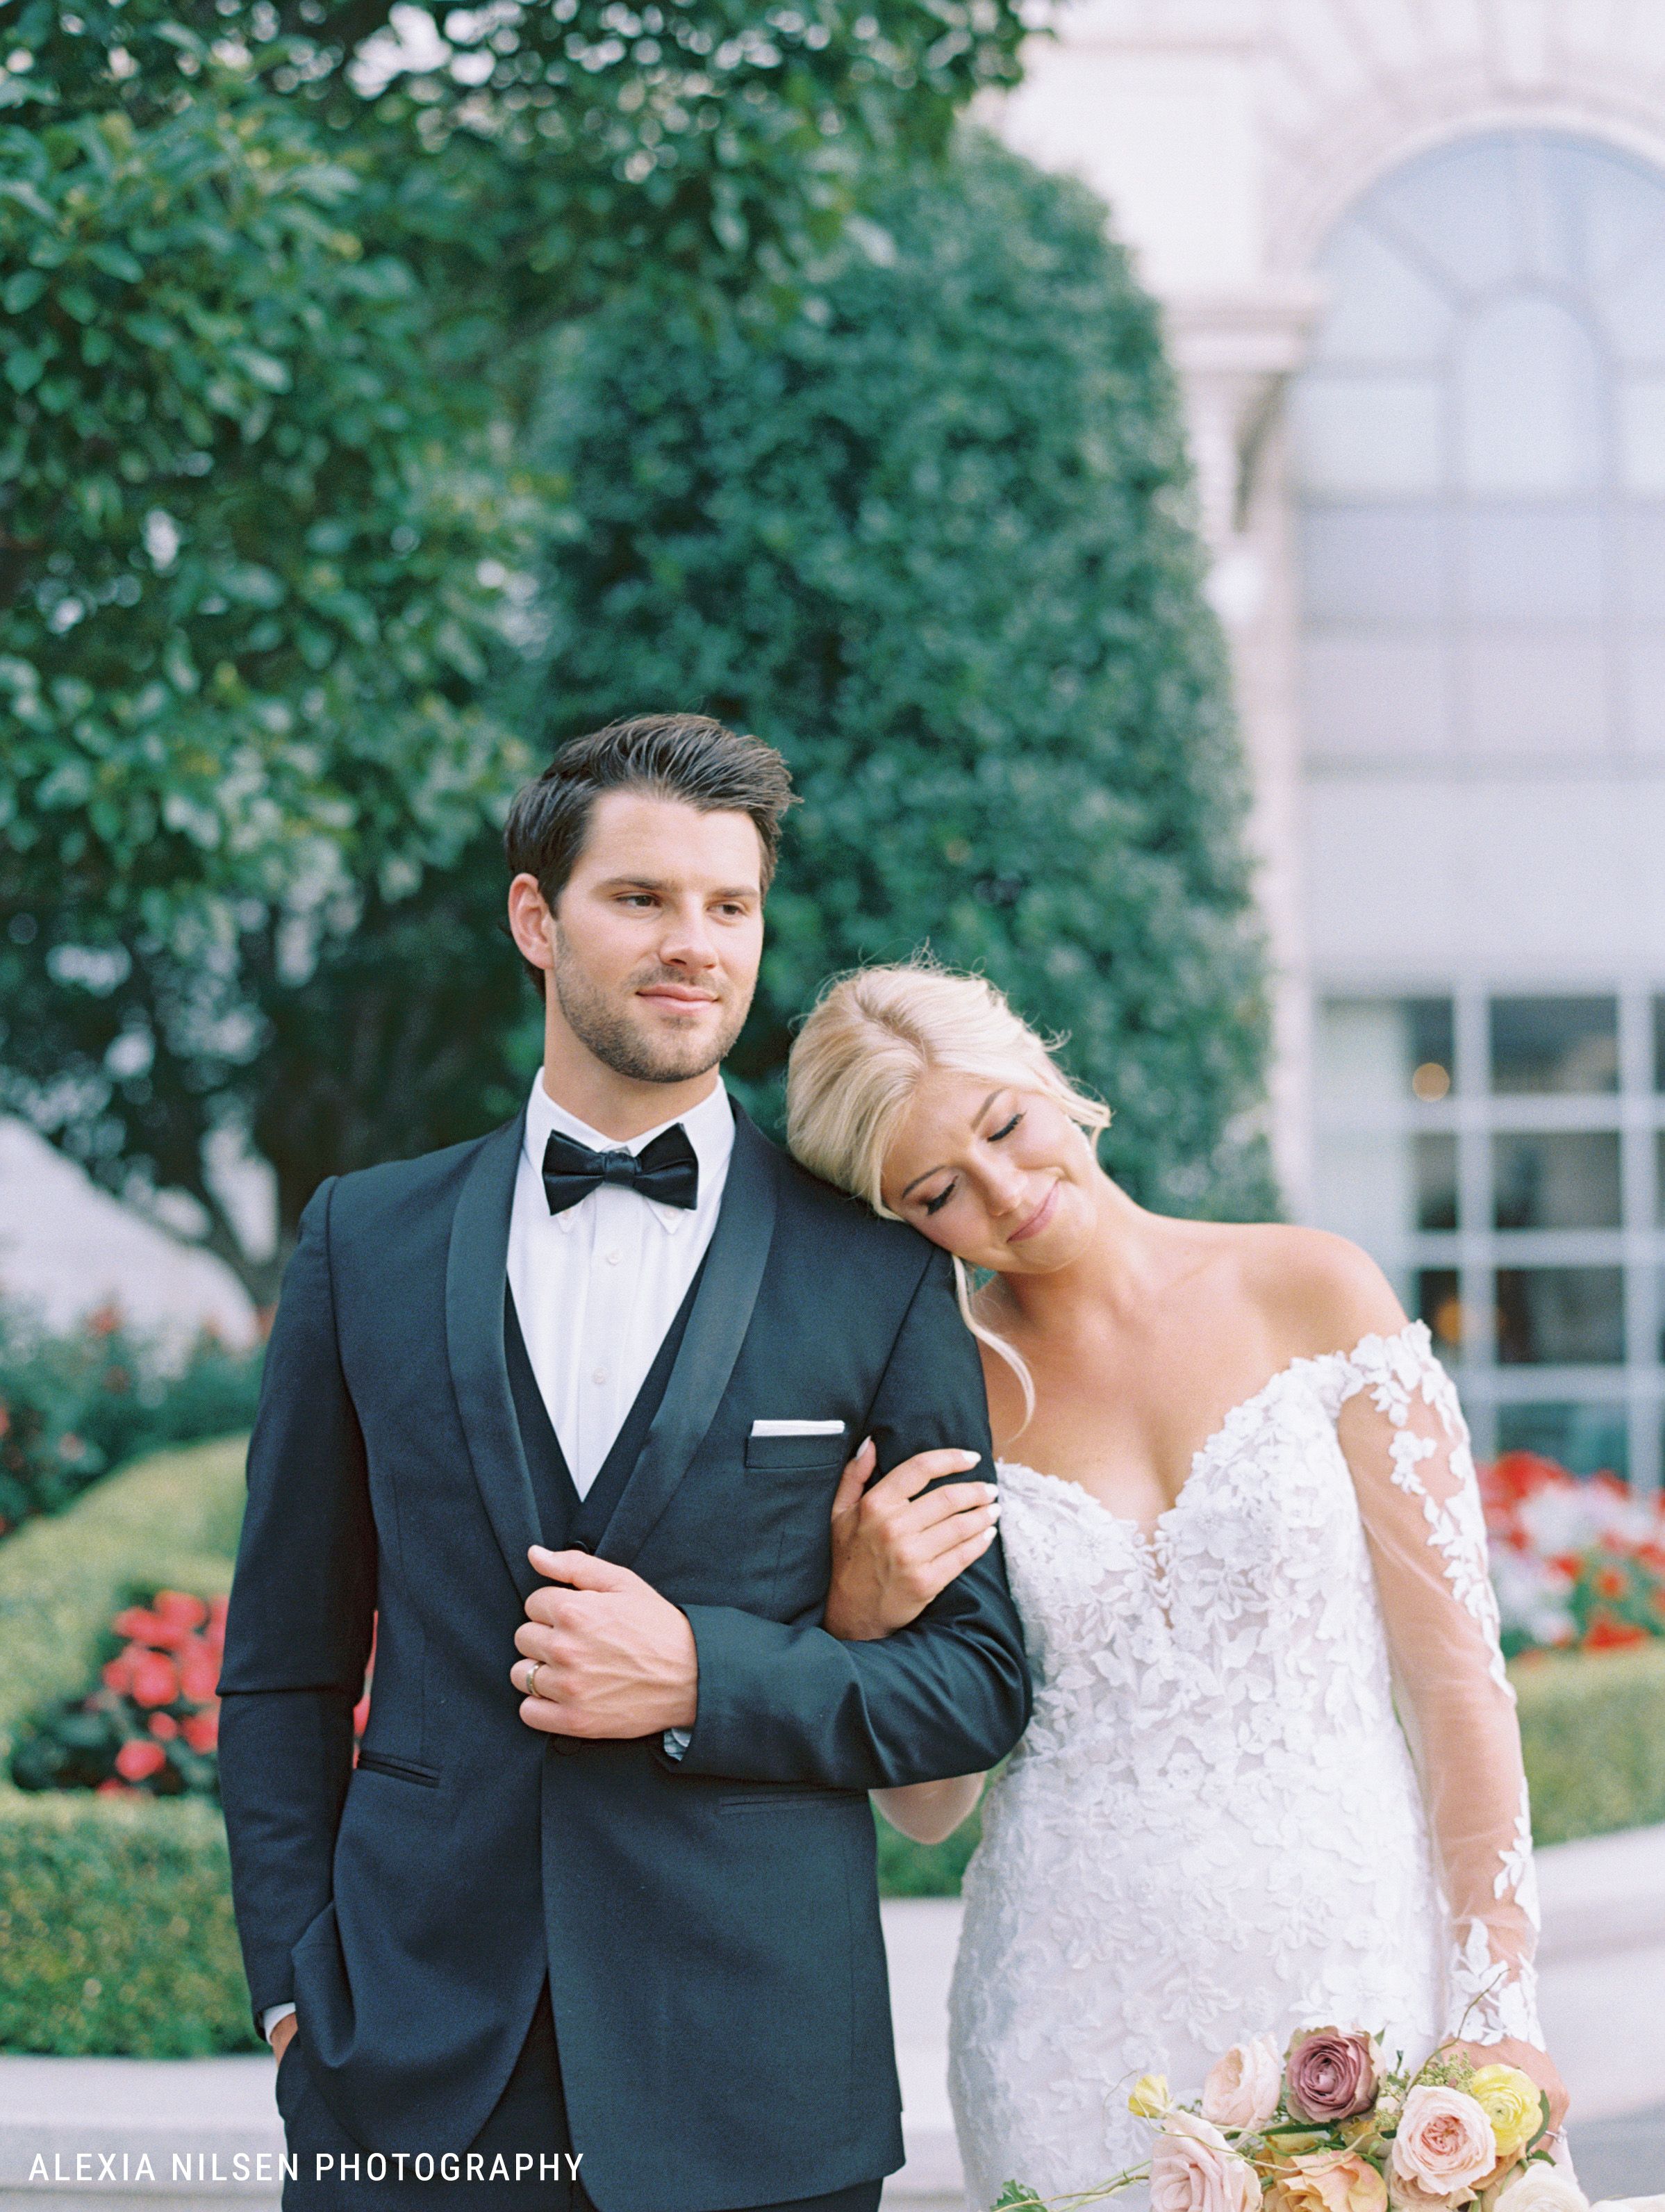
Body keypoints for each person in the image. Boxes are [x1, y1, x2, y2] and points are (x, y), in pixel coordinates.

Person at [215, 718, 1031, 2212]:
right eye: (640, 899)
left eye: (729, 906)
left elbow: (978, 1677)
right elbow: (281, 1656)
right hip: (408, 2063)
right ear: (537, 917)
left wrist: (705, 1675)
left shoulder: (877, 1270)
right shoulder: (365, 1238)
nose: (693, 945)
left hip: (756, 2075)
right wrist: (291, 1990)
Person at [790, 960, 1568, 2211]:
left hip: (1363, 1979)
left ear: (1043, 1075)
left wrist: (1496, 2003)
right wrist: (860, 1617)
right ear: (900, 1222)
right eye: (938, 1192)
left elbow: (1458, 1683)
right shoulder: (937, 1406)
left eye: (1003, 1126)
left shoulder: (1311, 1291)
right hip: (1066, 2031)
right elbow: (930, 1809)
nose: (1006, 1193)